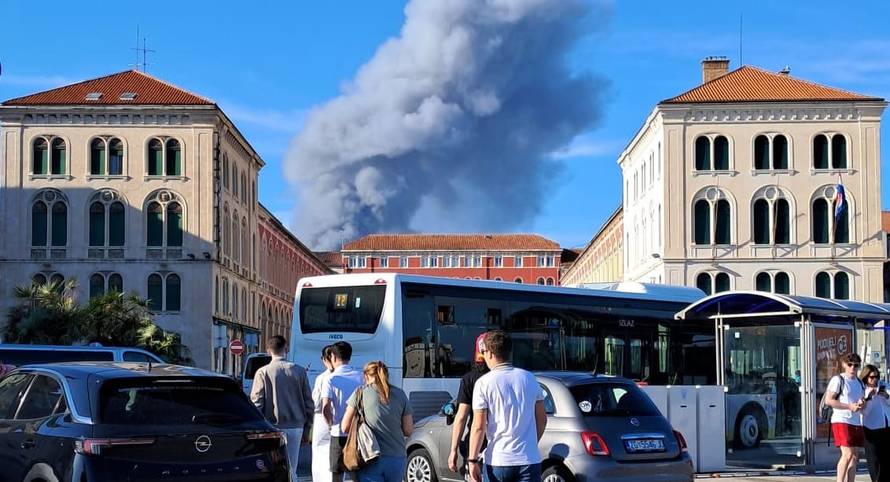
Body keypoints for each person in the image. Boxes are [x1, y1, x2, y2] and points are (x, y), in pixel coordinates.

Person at [468, 330, 547, 482]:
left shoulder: (483, 383)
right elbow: (542, 420)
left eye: (483, 352)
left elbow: (478, 426)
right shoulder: (530, 378)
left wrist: (472, 460)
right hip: (529, 459)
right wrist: (530, 444)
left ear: (490, 353)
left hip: (498, 460)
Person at [250, 335, 314, 480]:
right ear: (286, 348)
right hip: (296, 426)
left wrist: (256, 428)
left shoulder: (263, 372)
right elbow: (309, 403)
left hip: (270, 427)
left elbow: (256, 403)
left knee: (272, 468)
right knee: (292, 468)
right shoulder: (299, 371)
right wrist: (307, 428)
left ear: (268, 350)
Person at [341, 361, 414, 482]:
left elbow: (345, 427)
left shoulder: (360, 393)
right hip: (397, 458)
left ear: (366, 376)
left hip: (370, 457)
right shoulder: (400, 394)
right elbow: (408, 430)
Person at [320, 341, 364, 482]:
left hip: (337, 432)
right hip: (357, 432)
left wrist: (330, 424)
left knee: (337, 474)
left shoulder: (330, 379)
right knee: (357, 473)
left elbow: (325, 407)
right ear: (349, 356)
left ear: (333, 356)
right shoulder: (361, 376)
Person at [448, 334, 490, 479]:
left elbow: (461, 417)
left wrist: (453, 450)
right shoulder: (503, 378)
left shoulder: (469, 379)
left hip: (476, 443)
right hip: (501, 443)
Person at [826, 353, 866, 482]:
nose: (852, 368)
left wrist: (861, 403)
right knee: (847, 454)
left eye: (856, 365)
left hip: (856, 421)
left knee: (854, 456)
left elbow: (861, 400)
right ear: (844, 365)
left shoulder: (859, 383)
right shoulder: (838, 380)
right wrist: (849, 406)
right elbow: (829, 400)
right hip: (841, 420)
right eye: (850, 364)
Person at [859, 364, 890, 482]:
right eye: (872, 377)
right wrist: (870, 398)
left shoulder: (884, 386)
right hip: (871, 427)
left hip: (886, 426)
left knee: (886, 458)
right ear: (866, 377)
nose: (875, 380)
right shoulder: (863, 390)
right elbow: (864, 412)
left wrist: (887, 397)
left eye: (877, 377)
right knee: (874, 459)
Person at [312, 345, 336, 482]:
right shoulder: (341, 375)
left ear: (323, 359)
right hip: (339, 418)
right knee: (334, 454)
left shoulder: (322, 378)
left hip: (321, 418)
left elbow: (316, 403)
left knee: (319, 456)